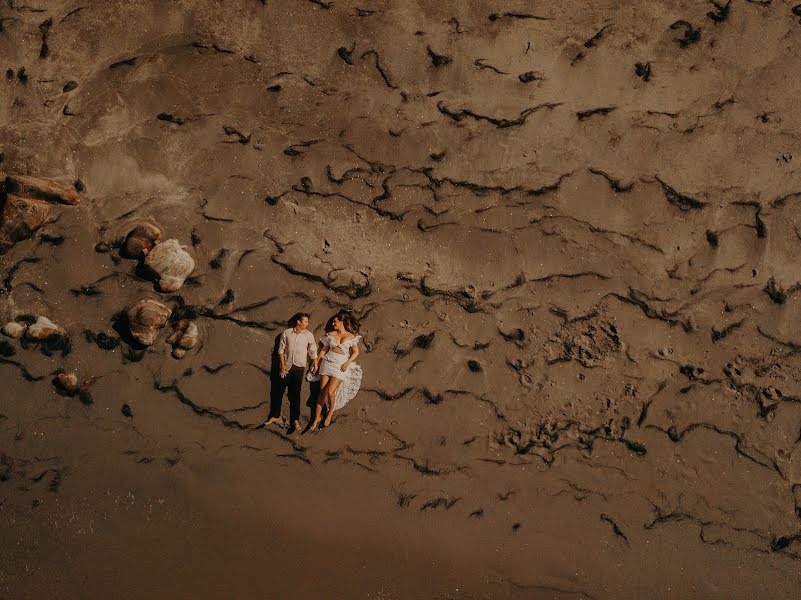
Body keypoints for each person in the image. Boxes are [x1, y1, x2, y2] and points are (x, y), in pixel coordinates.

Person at [306, 312, 360, 431]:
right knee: (322, 391)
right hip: (327, 363)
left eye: (335, 321)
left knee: (330, 391)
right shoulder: (330, 334)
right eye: (333, 322)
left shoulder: (351, 336)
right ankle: (317, 417)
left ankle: (330, 413)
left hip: (340, 366)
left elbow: (356, 352)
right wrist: (316, 364)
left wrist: (347, 363)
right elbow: (323, 350)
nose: (333, 323)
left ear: (342, 322)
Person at [265, 312, 317, 433]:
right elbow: (281, 350)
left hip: (299, 367)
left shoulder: (308, 335)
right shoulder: (287, 333)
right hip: (286, 367)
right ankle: (275, 415)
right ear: (298, 321)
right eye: (305, 321)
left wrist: (315, 363)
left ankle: (295, 419)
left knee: (295, 394)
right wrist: (282, 366)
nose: (307, 324)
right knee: (278, 391)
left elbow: (312, 350)